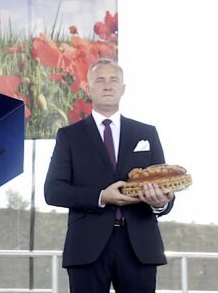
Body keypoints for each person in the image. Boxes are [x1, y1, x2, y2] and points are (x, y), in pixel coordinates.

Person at [44, 58, 174, 292]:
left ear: (123, 88)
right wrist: (102, 196)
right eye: (100, 80)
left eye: (114, 80)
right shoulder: (69, 136)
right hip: (86, 247)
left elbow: (164, 185)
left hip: (139, 246)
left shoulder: (146, 133)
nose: (107, 85)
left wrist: (160, 203)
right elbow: (53, 191)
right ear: (88, 88)